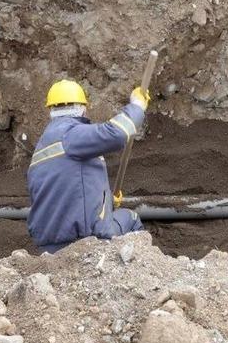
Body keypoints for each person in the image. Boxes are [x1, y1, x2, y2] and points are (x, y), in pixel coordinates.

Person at [27, 80, 149, 253]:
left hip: (49, 246)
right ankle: (142, 272)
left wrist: (106, 203)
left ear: (50, 110)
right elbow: (117, 134)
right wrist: (136, 106)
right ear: (83, 108)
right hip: (84, 238)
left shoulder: (42, 148)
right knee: (131, 218)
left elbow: (69, 188)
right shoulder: (71, 134)